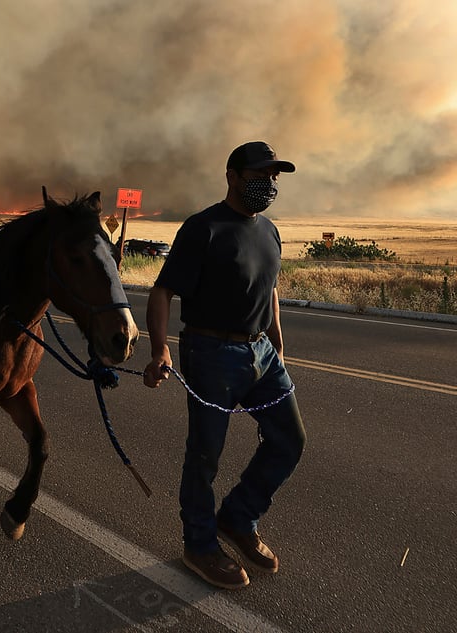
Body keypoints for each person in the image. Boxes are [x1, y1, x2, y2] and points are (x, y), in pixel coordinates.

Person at [143, 141, 306, 590]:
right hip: (211, 353)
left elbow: (268, 288)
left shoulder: (269, 231)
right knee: (205, 455)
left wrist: (276, 342)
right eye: (260, 176)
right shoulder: (204, 228)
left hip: (261, 353)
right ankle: (198, 544)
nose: (269, 184)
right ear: (232, 176)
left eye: (275, 176)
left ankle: (237, 518)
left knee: (289, 440)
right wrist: (160, 349)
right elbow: (162, 292)